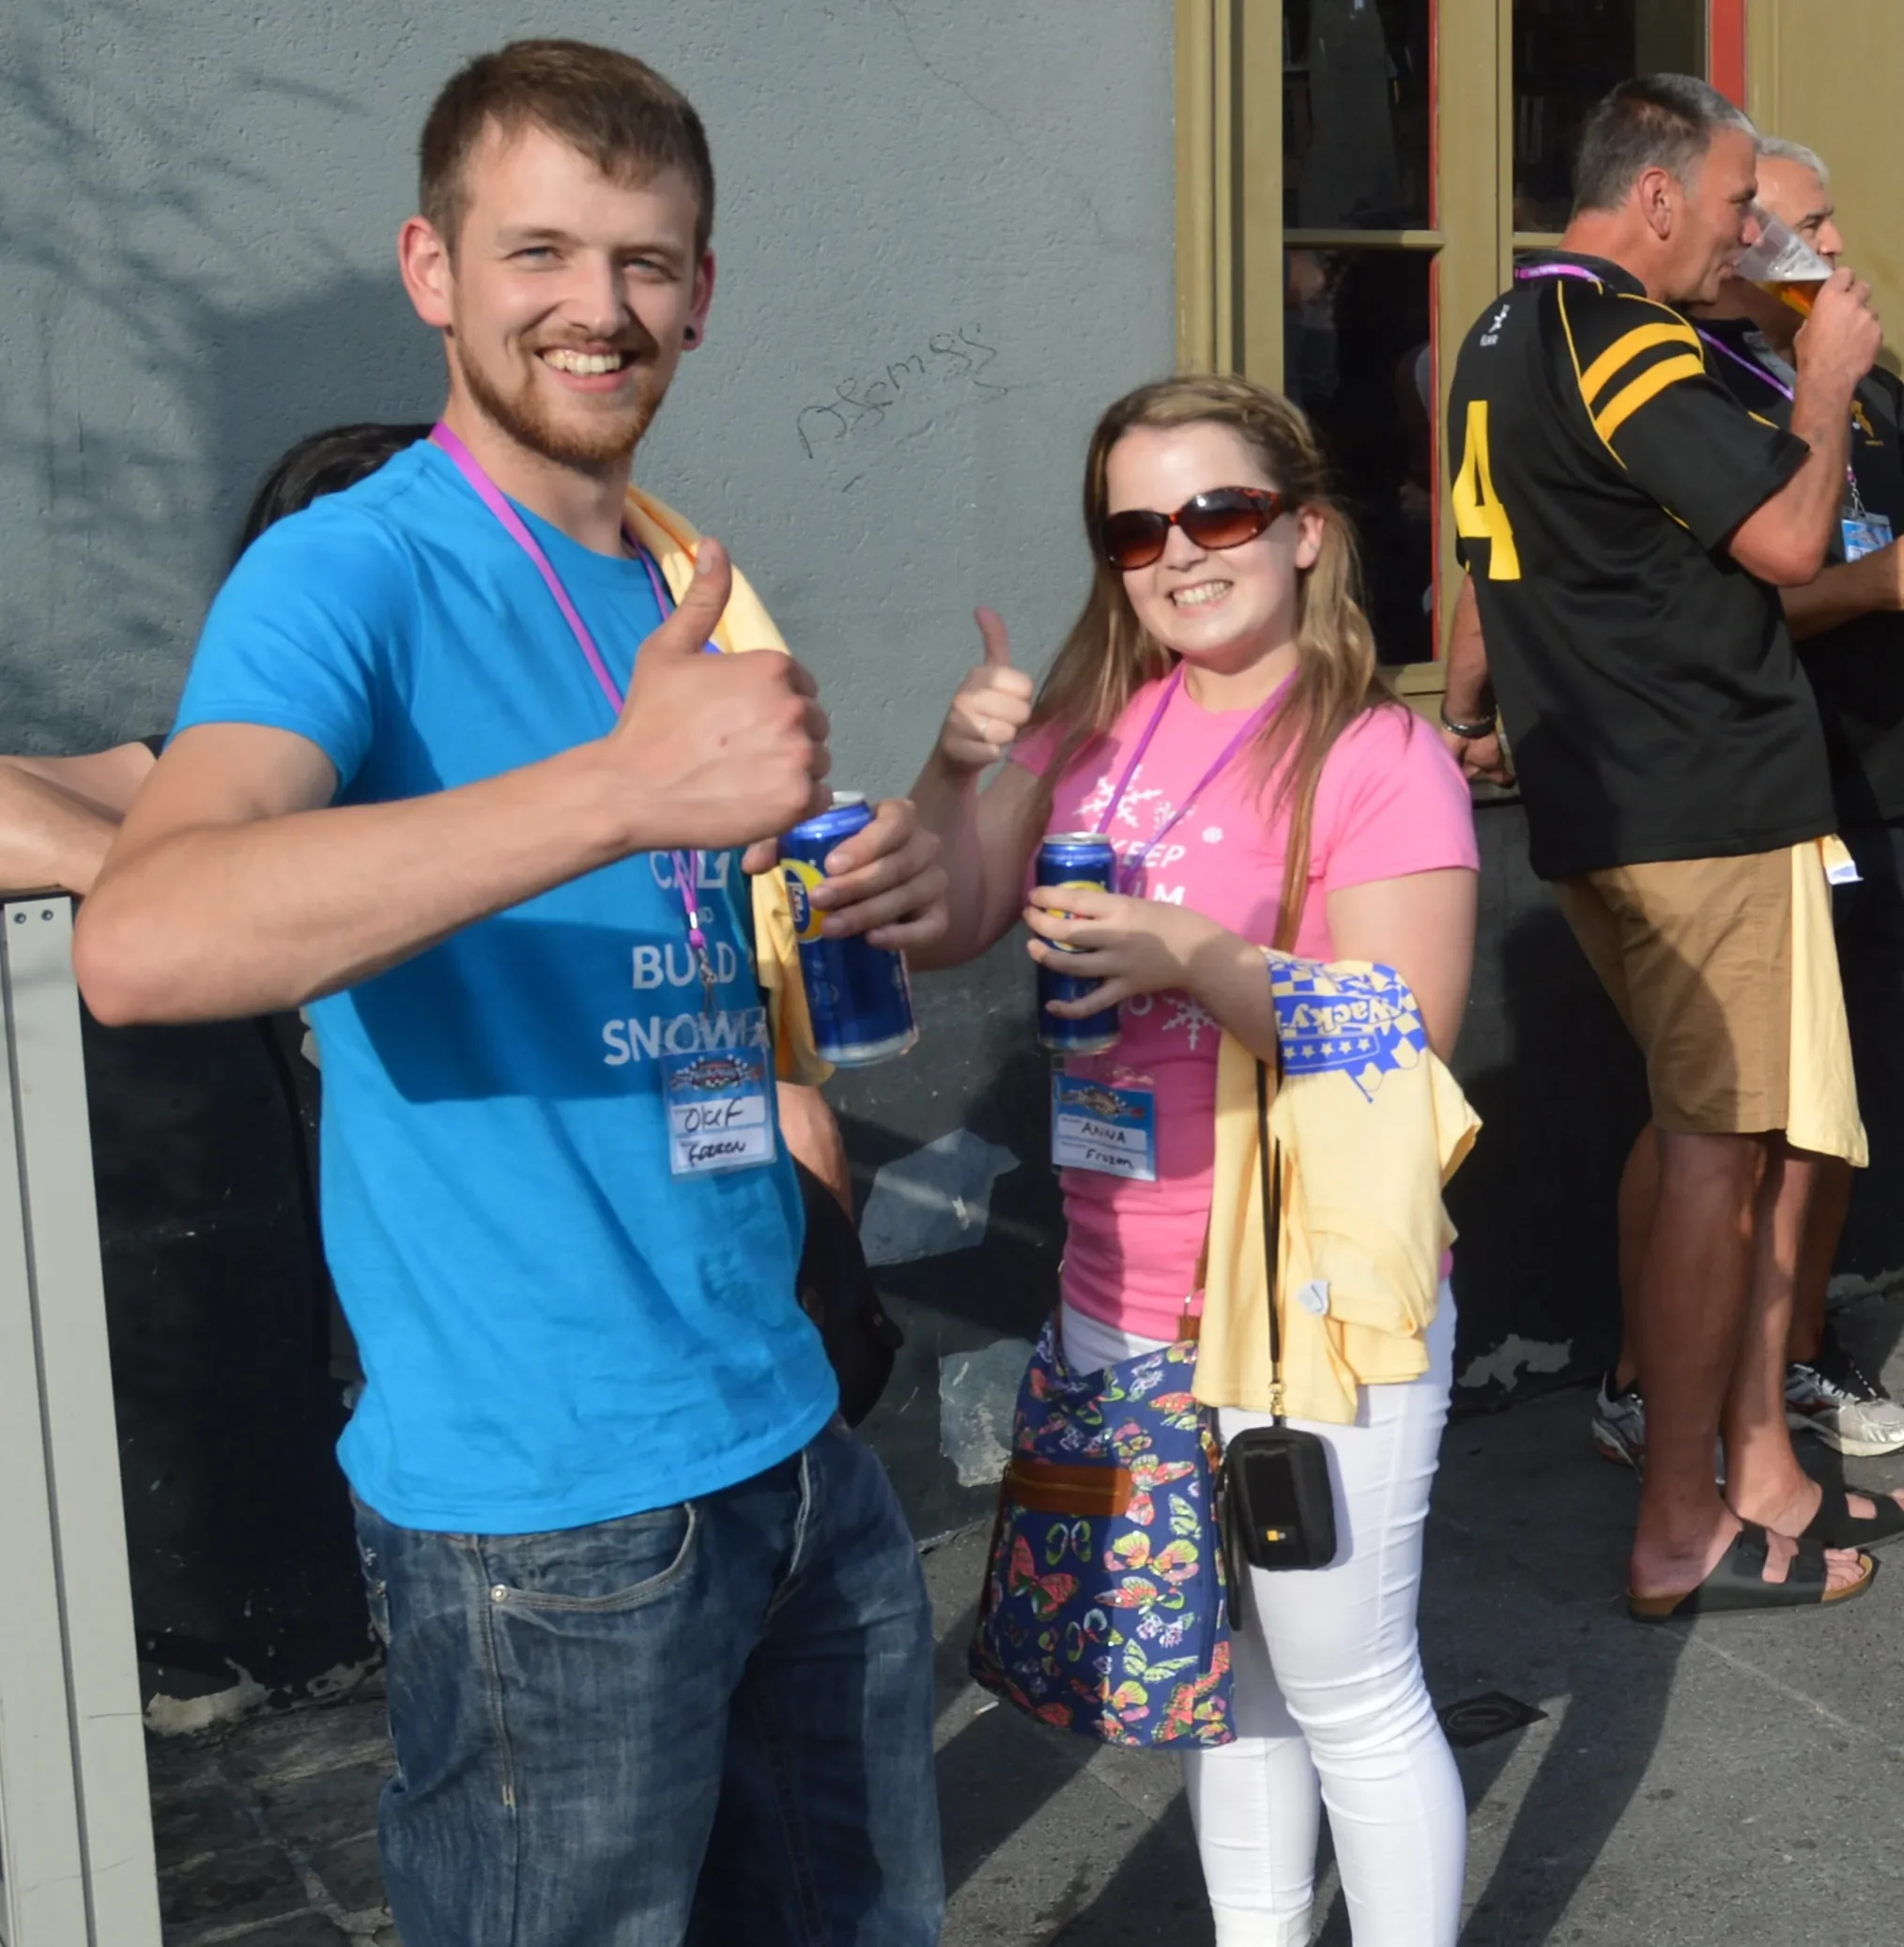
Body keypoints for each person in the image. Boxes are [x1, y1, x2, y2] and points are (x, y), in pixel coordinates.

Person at [74, 39, 944, 1947]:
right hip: (549, 1517)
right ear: (431, 268)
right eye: (539, 249)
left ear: (702, 291)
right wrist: (625, 789)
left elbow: (681, 950)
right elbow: (148, 938)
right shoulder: (348, 574)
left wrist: (913, 869)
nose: (598, 307)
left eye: (648, 261)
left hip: (792, 1442)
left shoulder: (676, 577)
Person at [912, 373, 1479, 1947]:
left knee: (1349, 1686)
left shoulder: (1378, 754)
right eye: (1136, 525)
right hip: (1122, 1287)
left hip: (1304, 1304)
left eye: (1218, 511)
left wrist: (1195, 954)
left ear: (1303, 530)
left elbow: (1406, 1034)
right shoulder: (1095, 728)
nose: (1180, 550)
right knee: (1223, 1686)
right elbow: (948, 916)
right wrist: (956, 769)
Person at [1441, 76, 1888, 1619]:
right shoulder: (1621, 330)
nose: (1747, 233)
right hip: (1702, 800)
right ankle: (1684, 1516)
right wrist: (1824, 376)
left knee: (1736, 1137)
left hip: (1600, 811)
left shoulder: (1500, 336)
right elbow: (1780, 540)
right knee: (1725, 1158)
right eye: (1735, 204)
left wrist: (1490, 702)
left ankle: (1751, 1472)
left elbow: (1471, 596)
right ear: (1653, 200)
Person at [1689, 137, 1904, 1459]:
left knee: (1841, 1104)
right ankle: (1668, 1380)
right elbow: (1745, 600)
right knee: (1739, 1119)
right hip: (1771, 791)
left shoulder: (1869, 379)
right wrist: (1878, 587)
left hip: (1882, 785)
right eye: (1801, 228)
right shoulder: (1703, 386)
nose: (1830, 249)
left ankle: (1800, 1353)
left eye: (1832, 225)